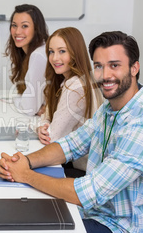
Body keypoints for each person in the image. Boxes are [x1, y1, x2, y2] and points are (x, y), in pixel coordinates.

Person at [0, 31, 143, 232]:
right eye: (98, 66)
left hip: (118, 227)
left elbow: (88, 192)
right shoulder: (109, 110)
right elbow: (70, 145)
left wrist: (26, 175)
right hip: (93, 212)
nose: (105, 75)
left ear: (134, 68)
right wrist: (25, 161)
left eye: (114, 65)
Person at [37, 27, 103, 175]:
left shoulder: (75, 87)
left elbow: (53, 138)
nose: (54, 58)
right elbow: (48, 114)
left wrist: (36, 127)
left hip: (81, 170)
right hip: (81, 165)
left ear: (75, 53)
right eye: (51, 52)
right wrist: (43, 123)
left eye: (62, 51)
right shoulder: (84, 77)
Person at [5, 4, 48, 116]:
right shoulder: (35, 51)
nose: (17, 31)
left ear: (36, 28)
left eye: (24, 26)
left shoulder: (38, 55)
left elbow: (28, 109)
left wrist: (16, 100)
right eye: (14, 25)